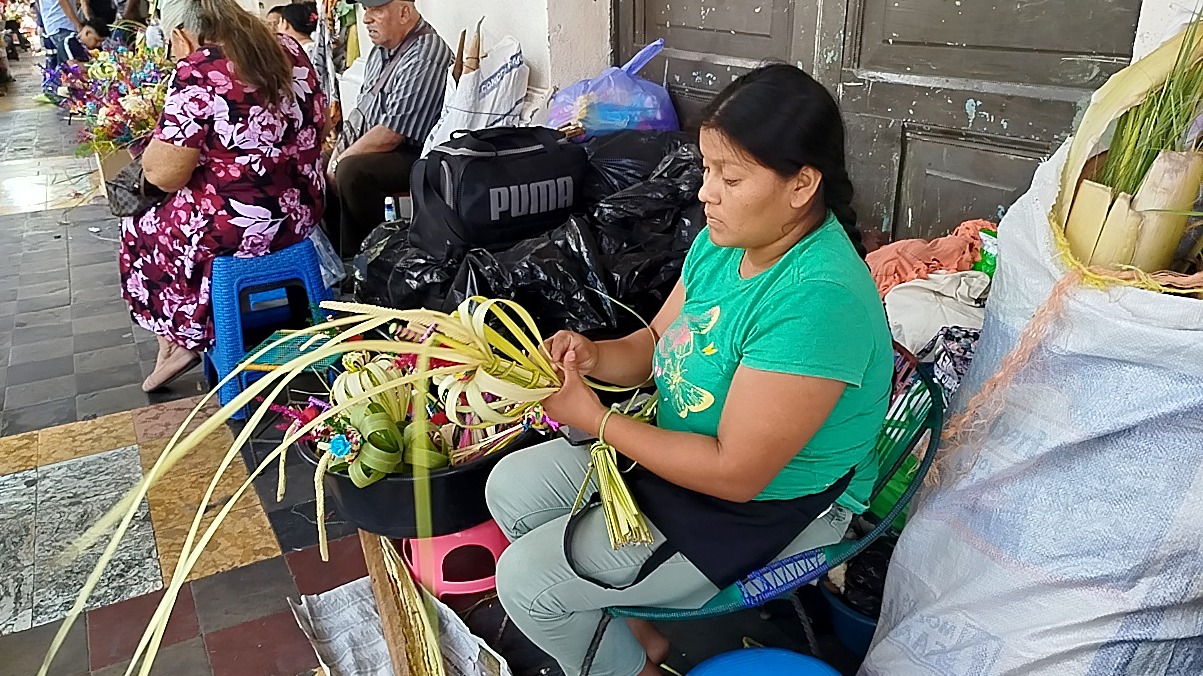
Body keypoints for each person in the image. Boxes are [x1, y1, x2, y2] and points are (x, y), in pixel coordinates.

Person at [485, 64, 893, 676]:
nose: (706, 192)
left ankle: (639, 669)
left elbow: (736, 474)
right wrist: (594, 355)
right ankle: (637, 634)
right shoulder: (724, 244)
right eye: (707, 169)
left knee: (527, 585)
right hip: (685, 455)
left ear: (802, 184)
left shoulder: (818, 298)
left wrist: (597, 421)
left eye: (730, 176)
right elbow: (653, 342)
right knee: (510, 488)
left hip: (764, 505)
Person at [121, 0, 326, 391]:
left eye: (169, 43)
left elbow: (164, 174)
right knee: (189, 209)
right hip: (301, 214)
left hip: (240, 229)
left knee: (140, 224)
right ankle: (189, 333)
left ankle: (180, 337)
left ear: (180, 35)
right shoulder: (289, 49)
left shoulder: (198, 70)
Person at [324, 0, 450, 256]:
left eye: (375, 10)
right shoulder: (380, 52)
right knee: (318, 163)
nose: (366, 19)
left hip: (417, 154)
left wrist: (340, 161)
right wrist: (335, 153)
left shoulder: (426, 52)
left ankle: (371, 259)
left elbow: (392, 133)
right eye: (366, 10)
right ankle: (340, 259)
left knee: (351, 171)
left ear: (404, 12)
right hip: (383, 145)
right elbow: (362, 114)